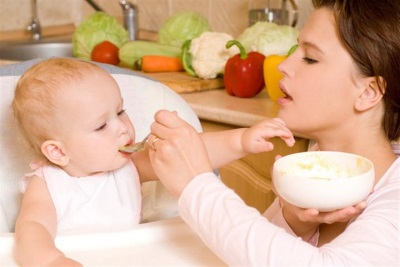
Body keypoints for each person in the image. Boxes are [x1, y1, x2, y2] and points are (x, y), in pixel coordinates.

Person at [147, 0, 400, 266]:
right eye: (295, 50)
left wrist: (196, 185)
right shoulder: (317, 167)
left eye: (310, 58)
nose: (283, 65)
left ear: (368, 92)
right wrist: (294, 222)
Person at [12, 57, 297, 266]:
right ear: (58, 152)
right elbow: (31, 229)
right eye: (101, 126)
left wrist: (242, 140)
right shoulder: (49, 184)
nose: (123, 128)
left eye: (121, 111)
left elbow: (192, 153)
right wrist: (51, 261)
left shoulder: (130, 165)